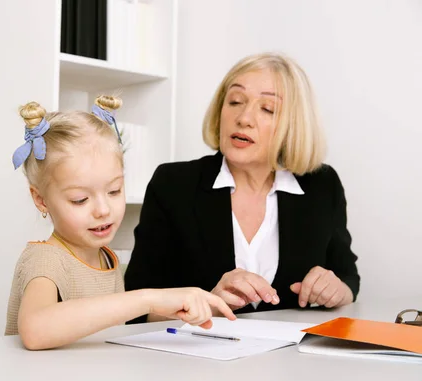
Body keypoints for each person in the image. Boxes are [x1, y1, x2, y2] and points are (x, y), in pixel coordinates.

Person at [124, 52, 361, 323]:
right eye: (235, 101)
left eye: (267, 108)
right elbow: (137, 305)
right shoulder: (173, 183)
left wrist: (337, 290)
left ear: (293, 125)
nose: (244, 117)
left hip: (292, 361)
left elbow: (347, 276)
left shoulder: (322, 184)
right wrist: (208, 305)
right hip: (194, 360)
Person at [4, 95, 236, 350]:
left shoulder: (105, 258)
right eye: (80, 200)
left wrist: (185, 305)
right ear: (41, 200)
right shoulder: (45, 259)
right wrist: (148, 298)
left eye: (114, 191)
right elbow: (36, 331)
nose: (103, 210)